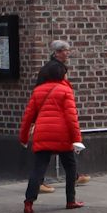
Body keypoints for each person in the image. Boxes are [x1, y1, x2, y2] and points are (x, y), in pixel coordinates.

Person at [19, 59, 84, 213]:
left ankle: (29, 202)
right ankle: (70, 200)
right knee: (70, 167)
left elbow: (28, 116)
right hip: (62, 134)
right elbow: (71, 118)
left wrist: (23, 137)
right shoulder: (65, 91)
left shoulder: (38, 91)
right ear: (62, 75)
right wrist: (77, 140)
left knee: (38, 169)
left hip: (42, 133)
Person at [39, 40, 90, 192]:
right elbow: (60, 91)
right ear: (57, 52)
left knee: (62, 150)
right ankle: (39, 183)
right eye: (65, 50)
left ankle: (74, 176)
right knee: (47, 152)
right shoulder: (57, 69)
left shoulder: (50, 67)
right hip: (54, 115)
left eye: (68, 50)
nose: (68, 53)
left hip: (50, 114)